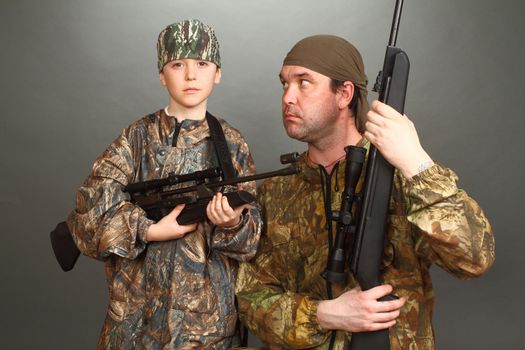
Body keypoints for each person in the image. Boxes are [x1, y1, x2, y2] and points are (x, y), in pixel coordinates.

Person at [235, 34, 495, 349]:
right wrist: (322, 315)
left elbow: (473, 259)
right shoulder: (277, 191)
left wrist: (417, 163)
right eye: (285, 84)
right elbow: (250, 299)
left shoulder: (401, 175)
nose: (288, 97)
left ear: (344, 93)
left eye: (304, 83)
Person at [67, 19, 262, 349]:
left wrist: (232, 224)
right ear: (161, 74)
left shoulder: (230, 144)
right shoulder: (136, 139)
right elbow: (89, 211)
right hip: (133, 328)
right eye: (177, 64)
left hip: (206, 334)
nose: (190, 75)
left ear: (217, 73)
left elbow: (253, 239)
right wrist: (149, 230)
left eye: (202, 64)